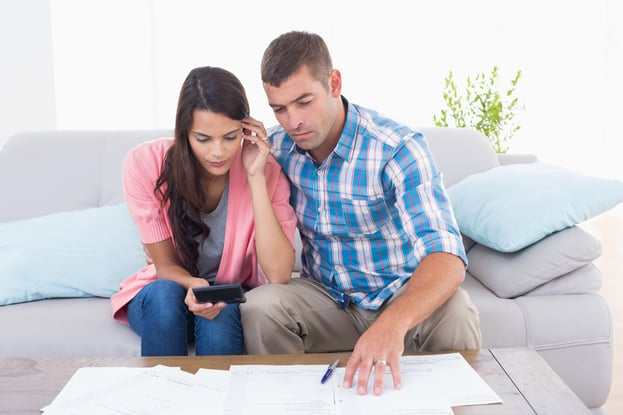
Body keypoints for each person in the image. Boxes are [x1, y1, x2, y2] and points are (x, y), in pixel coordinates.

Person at [240, 31, 481, 395]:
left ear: (334, 83)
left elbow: (446, 256)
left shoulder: (397, 148)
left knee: (457, 311)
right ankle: (293, 403)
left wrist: (392, 324)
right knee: (260, 307)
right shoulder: (275, 149)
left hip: (398, 293)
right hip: (326, 300)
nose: (293, 122)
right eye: (279, 108)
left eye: (304, 102)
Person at [111, 66, 297, 356]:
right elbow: (164, 267)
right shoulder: (144, 163)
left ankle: (219, 401)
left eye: (230, 137)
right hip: (169, 296)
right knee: (164, 295)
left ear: (246, 130)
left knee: (219, 310)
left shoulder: (265, 170)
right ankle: (160, 399)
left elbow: (278, 274)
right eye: (203, 139)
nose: (218, 152)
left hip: (226, 298)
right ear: (184, 131)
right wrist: (194, 284)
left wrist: (256, 177)